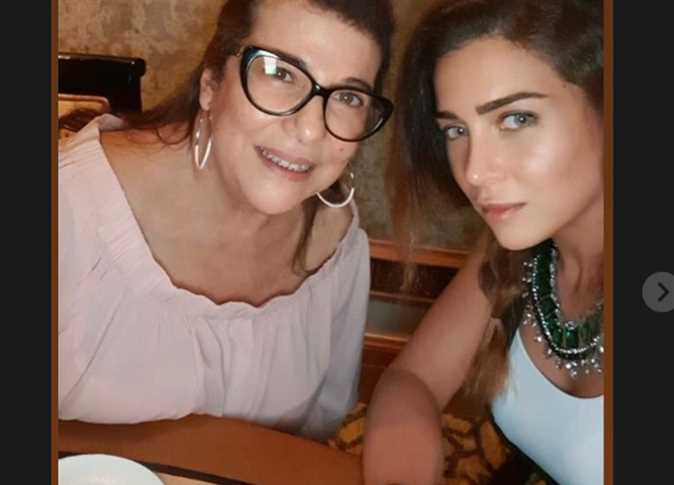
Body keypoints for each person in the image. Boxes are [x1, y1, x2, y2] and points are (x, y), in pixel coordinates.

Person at [58, 0, 394, 442]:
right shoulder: (66, 208)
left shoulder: (336, 247)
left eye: (348, 97)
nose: (311, 129)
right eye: (279, 72)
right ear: (211, 83)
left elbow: (312, 435)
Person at [362, 0, 604, 482]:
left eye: (516, 119)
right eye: (455, 129)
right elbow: (413, 380)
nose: (472, 171)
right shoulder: (519, 252)